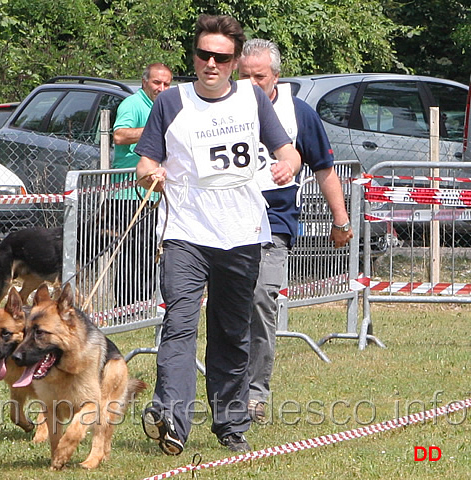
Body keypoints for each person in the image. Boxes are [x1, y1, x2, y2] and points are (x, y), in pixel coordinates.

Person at [134, 15, 301, 455]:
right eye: (203, 55)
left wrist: (288, 165)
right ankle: (171, 418)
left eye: (221, 57)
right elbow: (145, 165)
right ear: (194, 57)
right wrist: (152, 176)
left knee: (230, 331)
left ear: (233, 62)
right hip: (184, 231)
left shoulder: (251, 99)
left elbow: (289, 151)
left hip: (241, 232)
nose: (211, 64)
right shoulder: (171, 101)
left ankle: (230, 424)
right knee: (179, 323)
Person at [237, 39, 354, 424]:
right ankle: (226, 390)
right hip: (225, 223)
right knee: (228, 308)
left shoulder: (299, 114)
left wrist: (341, 221)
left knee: (260, 298)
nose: (252, 83)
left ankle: (256, 393)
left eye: (260, 76)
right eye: (245, 75)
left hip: (274, 225)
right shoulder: (222, 109)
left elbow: (324, 169)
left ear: (276, 75)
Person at [110, 63, 173, 310]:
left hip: (153, 192)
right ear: (145, 82)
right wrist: (153, 130)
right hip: (127, 195)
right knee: (129, 254)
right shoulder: (133, 105)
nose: (162, 88)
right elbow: (120, 135)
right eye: (157, 83)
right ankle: (125, 306)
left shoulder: (164, 106)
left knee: (149, 250)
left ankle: (144, 304)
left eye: (167, 84)